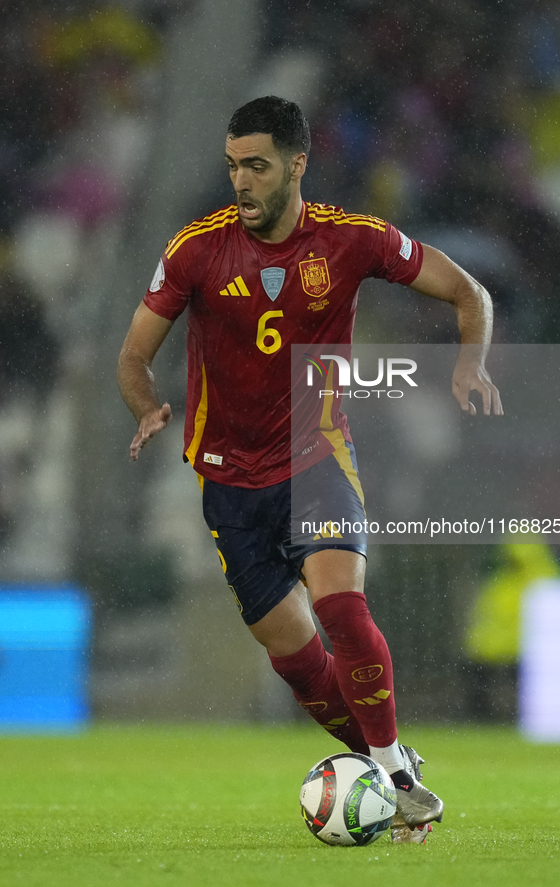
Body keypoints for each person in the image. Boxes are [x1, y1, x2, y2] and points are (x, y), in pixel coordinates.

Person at [118, 95, 503, 844]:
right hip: (227, 482)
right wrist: (145, 406)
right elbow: (133, 355)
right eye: (233, 166)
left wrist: (469, 365)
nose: (241, 181)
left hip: (315, 454)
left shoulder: (352, 241)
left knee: (339, 608)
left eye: (256, 165)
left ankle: (394, 777)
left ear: (296, 164)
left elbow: (468, 290)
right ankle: (394, 764)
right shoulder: (195, 250)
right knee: (296, 663)